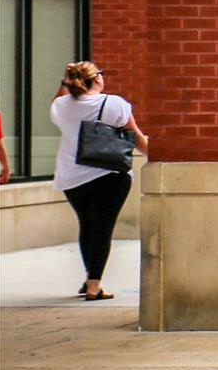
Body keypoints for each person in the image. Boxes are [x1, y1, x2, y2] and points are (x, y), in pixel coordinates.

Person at [50, 61, 146, 300]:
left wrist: (66, 77)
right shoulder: (114, 103)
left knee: (88, 226)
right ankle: (94, 285)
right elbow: (136, 138)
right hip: (109, 175)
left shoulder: (62, 105)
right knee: (103, 228)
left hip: (72, 177)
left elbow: (59, 99)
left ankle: (90, 278)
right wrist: (157, 156)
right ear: (96, 79)